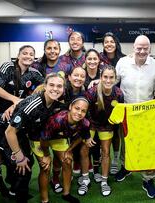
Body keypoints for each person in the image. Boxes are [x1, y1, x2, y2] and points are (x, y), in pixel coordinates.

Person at [115, 35, 155, 198]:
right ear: (133, 47)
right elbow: (113, 81)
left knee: (147, 147)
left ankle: (148, 179)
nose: (142, 51)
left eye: (145, 48)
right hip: (127, 113)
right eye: (139, 48)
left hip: (148, 113)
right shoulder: (122, 63)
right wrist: (98, 82)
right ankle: (126, 166)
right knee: (126, 142)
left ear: (150, 49)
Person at [3, 73, 65, 203]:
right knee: (21, 165)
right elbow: (9, 132)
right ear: (45, 86)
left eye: (59, 86)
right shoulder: (34, 104)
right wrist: (19, 156)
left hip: (23, 133)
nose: (55, 89)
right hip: (4, 131)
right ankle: (13, 193)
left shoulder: (57, 101)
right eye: (51, 85)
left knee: (28, 165)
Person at [0, 45, 43, 195]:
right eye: (25, 53)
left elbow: (45, 86)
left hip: (18, 119)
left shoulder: (33, 72)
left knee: (15, 154)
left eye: (31, 54)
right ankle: (0, 181)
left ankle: (15, 186)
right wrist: (16, 100)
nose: (28, 56)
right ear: (18, 55)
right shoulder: (8, 66)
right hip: (0, 117)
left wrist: (27, 99)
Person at [77, 65, 124, 197]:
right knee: (84, 149)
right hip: (90, 123)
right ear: (101, 78)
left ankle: (104, 181)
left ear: (115, 79)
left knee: (105, 152)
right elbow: (84, 114)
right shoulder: (92, 92)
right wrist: (87, 135)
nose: (108, 80)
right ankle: (85, 179)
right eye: (105, 77)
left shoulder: (119, 94)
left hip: (107, 125)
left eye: (111, 77)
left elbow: (119, 115)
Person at [40, 97, 90, 203]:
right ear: (70, 107)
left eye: (83, 111)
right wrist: (46, 155)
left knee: (67, 160)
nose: (79, 113)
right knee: (45, 166)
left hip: (59, 137)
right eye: (77, 108)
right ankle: (45, 200)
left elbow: (81, 136)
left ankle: (66, 194)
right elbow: (44, 139)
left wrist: (69, 149)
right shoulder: (57, 120)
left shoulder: (85, 123)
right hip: (40, 137)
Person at [100, 32, 125, 175]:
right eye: (106, 42)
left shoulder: (123, 59)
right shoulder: (99, 58)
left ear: (116, 44)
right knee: (101, 131)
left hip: (118, 100)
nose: (109, 44)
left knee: (116, 131)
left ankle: (115, 159)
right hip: (102, 99)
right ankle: (101, 159)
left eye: (112, 41)